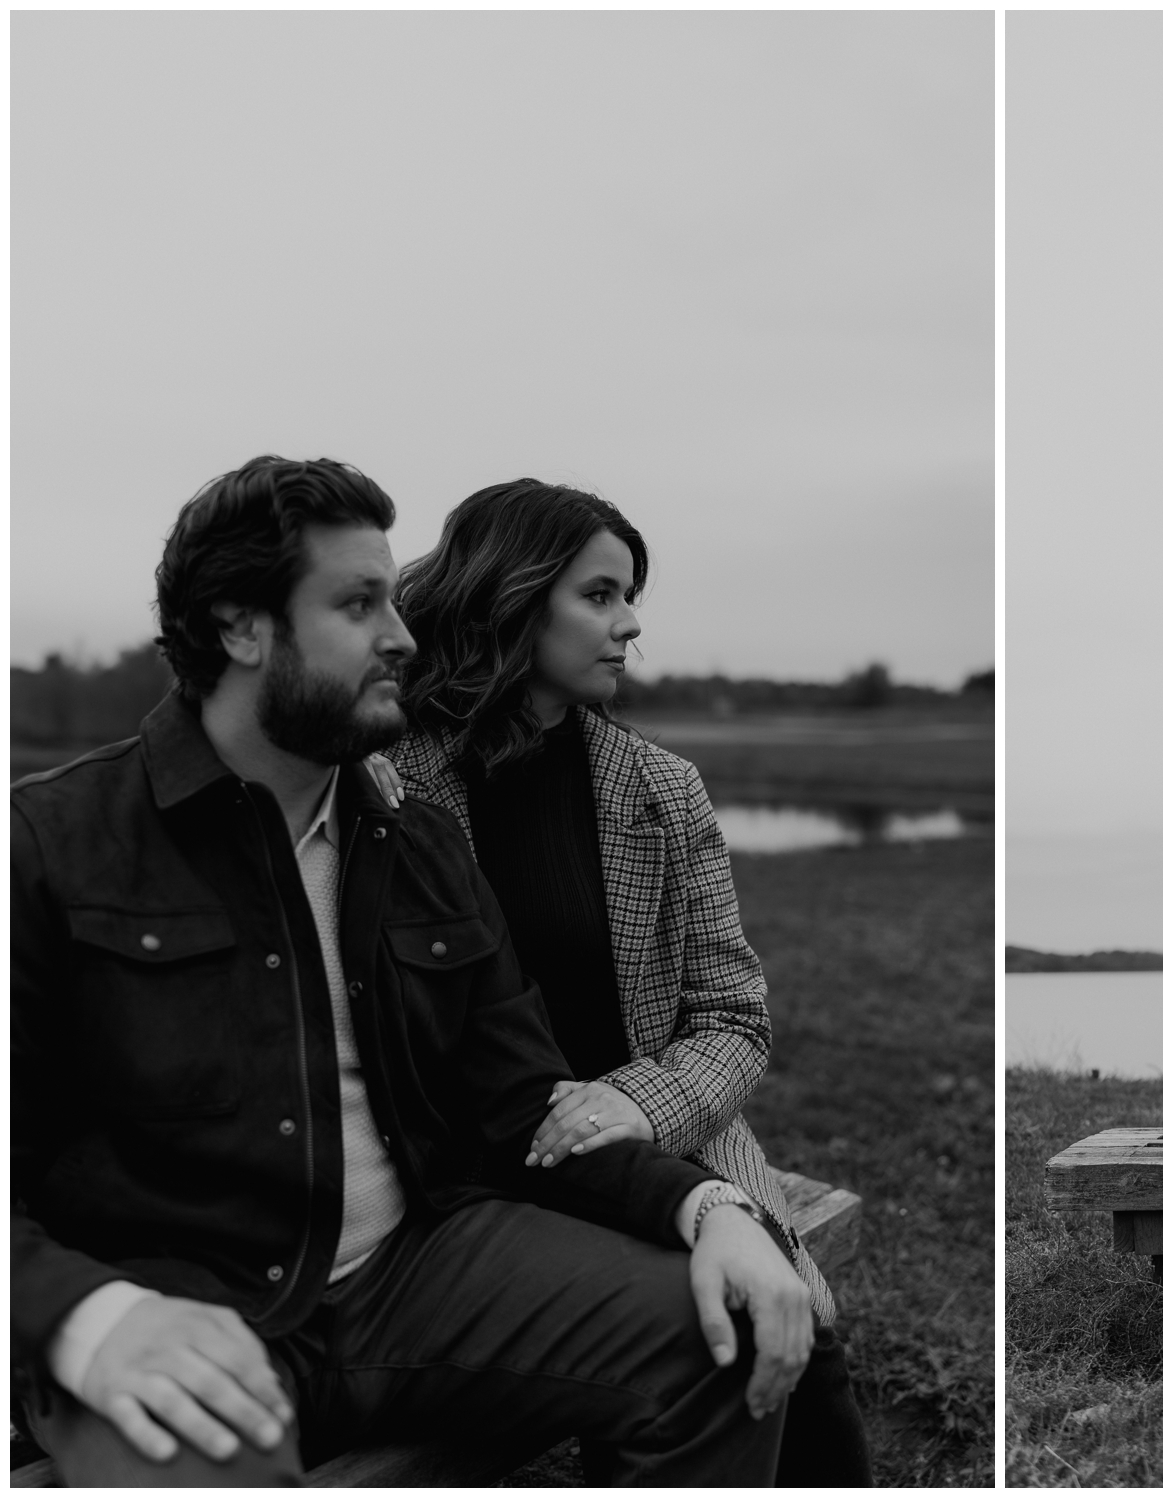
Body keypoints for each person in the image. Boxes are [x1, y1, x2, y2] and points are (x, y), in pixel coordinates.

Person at [12, 456, 814, 1486]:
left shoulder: (416, 842)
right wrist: (92, 1318)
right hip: (178, 1308)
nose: (400, 634)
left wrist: (706, 1209)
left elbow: (524, 1102)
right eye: (358, 604)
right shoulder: (48, 846)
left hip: (420, 1273)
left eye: (394, 598)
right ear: (240, 626)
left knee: (729, 1331)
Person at [381, 478, 869, 1485]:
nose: (629, 623)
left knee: (796, 1348)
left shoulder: (661, 787)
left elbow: (733, 1017)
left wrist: (627, 1105)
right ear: (513, 598)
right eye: (598, 595)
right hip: (473, 1163)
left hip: (665, 1138)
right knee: (696, 1335)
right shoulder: (386, 780)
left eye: (629, 596)